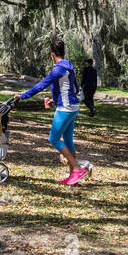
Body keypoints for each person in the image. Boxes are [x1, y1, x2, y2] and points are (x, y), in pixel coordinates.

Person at [18, 38, 91, 185]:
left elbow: (41, 85)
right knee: (68, 140)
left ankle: (77, 167)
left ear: (52, 54)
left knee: (53, 138)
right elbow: (75, 89)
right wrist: (55, 101)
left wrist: (22, 96)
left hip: (65, 108)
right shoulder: (69, 67)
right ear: (63, 52)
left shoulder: (58, 69)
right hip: (73, 106)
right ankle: (73, 177)